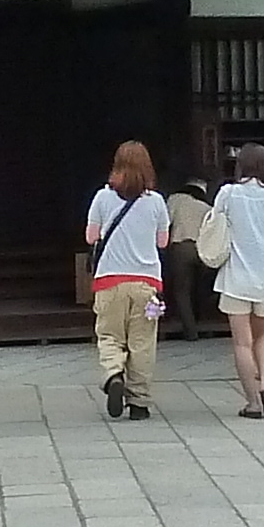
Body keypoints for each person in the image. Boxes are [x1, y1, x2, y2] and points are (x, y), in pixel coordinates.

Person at [81, 139, 170, 420]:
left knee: (109, 335)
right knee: (142, 343)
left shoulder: (102, 197)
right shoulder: (156, 202)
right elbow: (163, 241)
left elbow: (91, 237)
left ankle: (114, 374)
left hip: (109, 282)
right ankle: (140, 403)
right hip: (148, 287)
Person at [210, 142, 264, 415]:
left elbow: (216, 224)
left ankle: (252, 402)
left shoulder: (229, 193)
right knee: (263, 337)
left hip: (237, 277)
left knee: (241, 342)